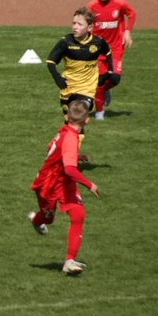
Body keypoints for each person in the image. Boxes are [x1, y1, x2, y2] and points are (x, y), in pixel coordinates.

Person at [27, 99, 100, 276]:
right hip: (49, 183)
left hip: (64, 181)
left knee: (78, 214)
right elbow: (69, 169)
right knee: (47, 218)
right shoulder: (70, 138)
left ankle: (69, 261)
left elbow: (60, 154)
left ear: (67, 117)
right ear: (87, 120)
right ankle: (36, 220)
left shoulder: (66, 132)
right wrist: (89, 184)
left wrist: (76, 155)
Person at [45, 7, 113, 115]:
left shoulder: (98, 42)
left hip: (87, 89)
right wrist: (58, 79)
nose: (75, 27)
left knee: (78, 114)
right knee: (71, 124)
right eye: (74, 23)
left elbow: (108, 52)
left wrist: (109, 72)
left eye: (79, 24)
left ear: (90, 27)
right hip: (68, 88)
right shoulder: (66, 42)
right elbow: (50, 62)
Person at [87, 0, 136, 120]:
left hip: (115, 48)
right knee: (101, 81)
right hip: (98, 50)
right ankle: (99, 113)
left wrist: (127, 31)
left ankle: (103, 91)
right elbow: (85, 21)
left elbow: (132, 14)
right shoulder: (92, 6)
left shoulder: (120, 4)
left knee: (115, 78)